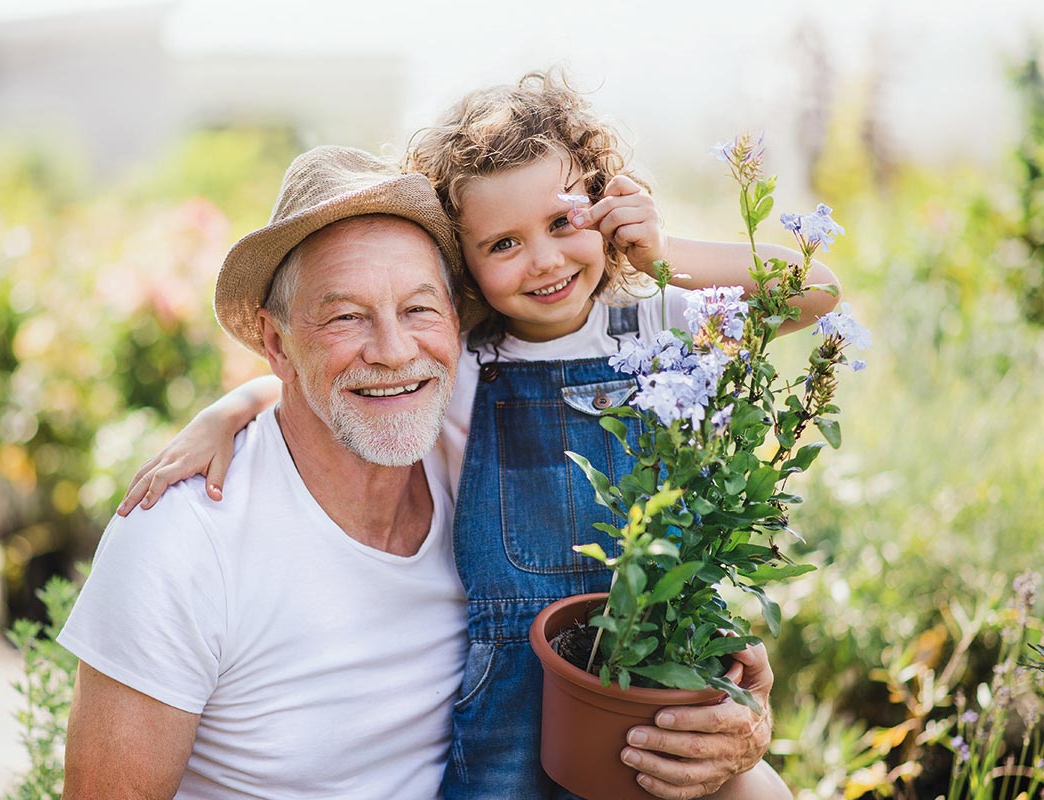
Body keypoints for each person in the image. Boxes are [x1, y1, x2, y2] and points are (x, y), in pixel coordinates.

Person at [122, 72, 837, 799]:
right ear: (466, 264)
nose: (546, 261)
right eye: (503, 244)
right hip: (511, 699)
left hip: (647, 656)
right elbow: (338, 379)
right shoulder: (464, 357)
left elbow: (816, 291)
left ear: (604, 204)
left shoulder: (662, 321)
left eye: (563, 224)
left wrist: (661, 255)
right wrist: (228, 410)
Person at [59, 146, 475, 799]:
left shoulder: (471, 461)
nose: (395, 351)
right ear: (276, 342)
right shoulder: (183, 539)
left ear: (455, 322)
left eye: (419, 309)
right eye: (346, 317)